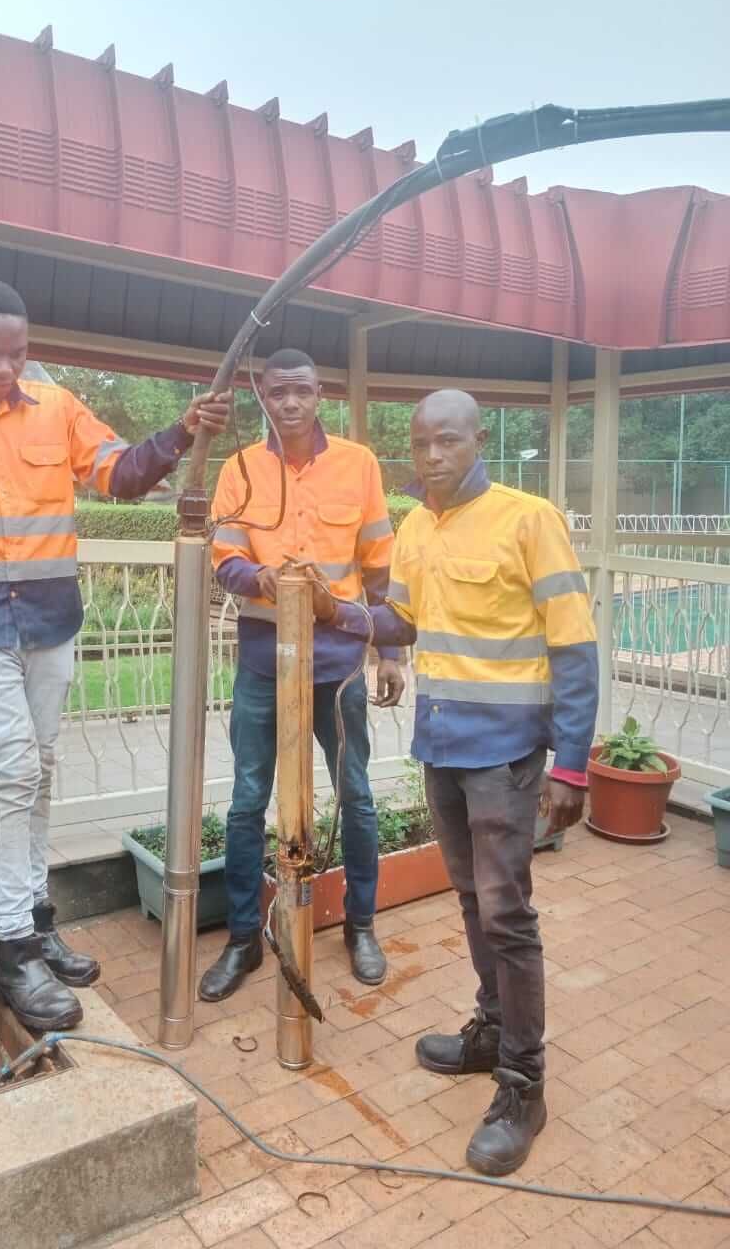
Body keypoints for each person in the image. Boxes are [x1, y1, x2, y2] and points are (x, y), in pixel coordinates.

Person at [0, 278, 231, 1031]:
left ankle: (37, 921)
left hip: (49, 619)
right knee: (12, 769)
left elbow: (120, 475)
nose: (5, 368)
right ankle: (13, 948)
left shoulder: (57, 407)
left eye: (18, 353)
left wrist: (180, 432)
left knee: (38, 766)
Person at [310, 388, 597, 1176]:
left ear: (478, 439)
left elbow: (574, 647)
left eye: (447, 440)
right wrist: (338, 608)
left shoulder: (528, 519)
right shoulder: (415, 527)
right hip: (442, 746)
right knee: (472, 901)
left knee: (507, 914)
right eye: (420, 444)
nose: (432, 456)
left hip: (506, 755)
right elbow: (401, 622)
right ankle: (492, 1030)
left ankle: (524, 1085)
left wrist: (572, 766)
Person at [198, 348, 407, 1003]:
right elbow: (224, 556)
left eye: (303, 392)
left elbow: (379, 564)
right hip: (265, 661)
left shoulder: (358, 464)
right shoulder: (240, 468)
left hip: (339, 661)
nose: (290, 403)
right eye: (278, 392)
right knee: (246, 799)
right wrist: (257, 576)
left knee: (355, 795)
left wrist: (390, 653)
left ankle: (361, 926)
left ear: (321, 395)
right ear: (262, 396)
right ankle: (242, 938)